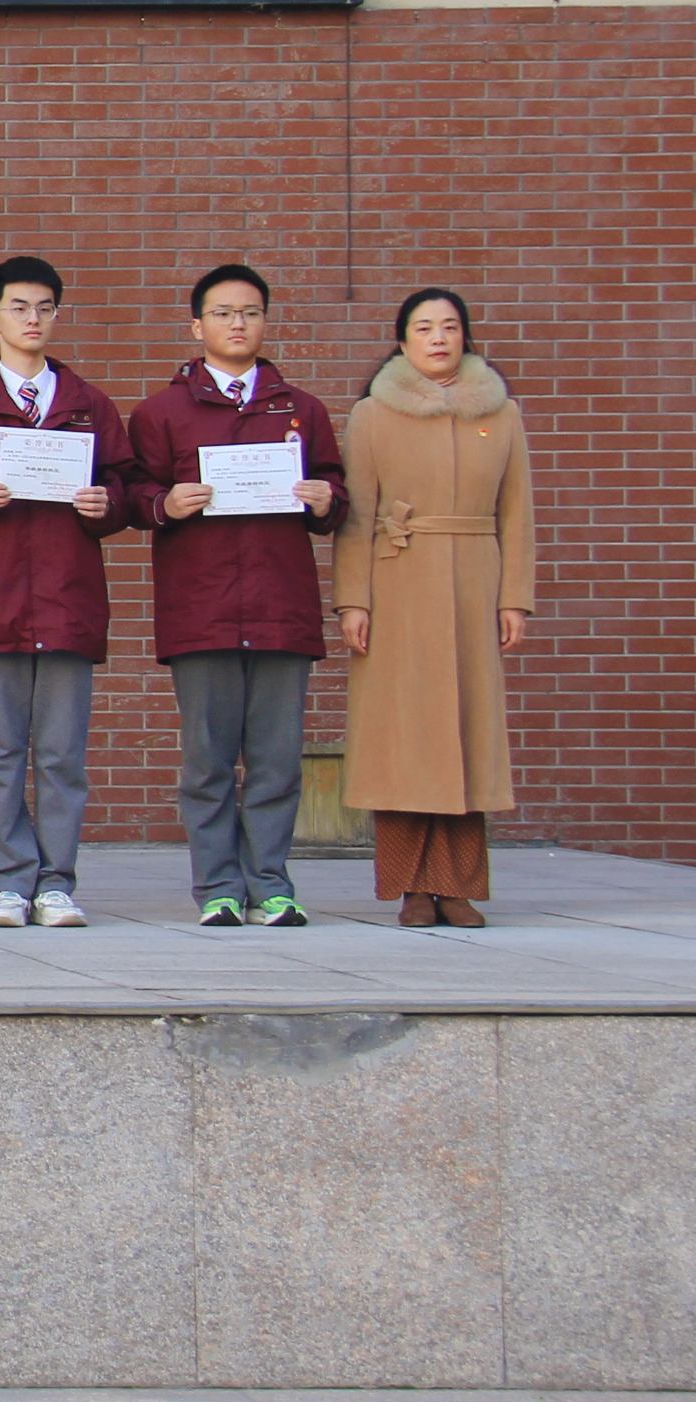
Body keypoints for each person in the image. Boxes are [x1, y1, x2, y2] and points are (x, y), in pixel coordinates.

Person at [0, 255, 136, 930]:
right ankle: (9, 882)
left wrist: (106, 503)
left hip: (67, 601)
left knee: (63, 755)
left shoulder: (89, 406)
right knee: (0, 753)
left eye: (43, 307)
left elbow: (127, 489)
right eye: (17, 307)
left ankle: (57, 883)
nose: (31, 319)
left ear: (56, 316)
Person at [125, 265, 347, 929]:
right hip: (202, 610)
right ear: (197, 326)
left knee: (276, 761)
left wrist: (325, 499)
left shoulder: (301, 410)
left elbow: (335, 492)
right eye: (222, 313)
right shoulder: (161, 413)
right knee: (208, 761)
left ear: (265, 322)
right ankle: (218, 886)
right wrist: (164, 503)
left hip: (281, 607)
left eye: (249, 312)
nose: (237, 324)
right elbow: (132, 494)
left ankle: (271, 884)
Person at [333, 289, 533, 927]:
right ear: (402, 342)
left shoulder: (501, 414)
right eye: (424, 328)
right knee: (403, 738)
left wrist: (515, 598)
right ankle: (411, 886)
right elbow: (357, 515)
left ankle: (458, 885)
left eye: (449, 327)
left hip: (475, 585)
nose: (438, 338)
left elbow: (517, 512)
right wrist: (353, 601)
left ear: (466, 336)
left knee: (467, 735)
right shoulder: (372, 415)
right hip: (397, 585)